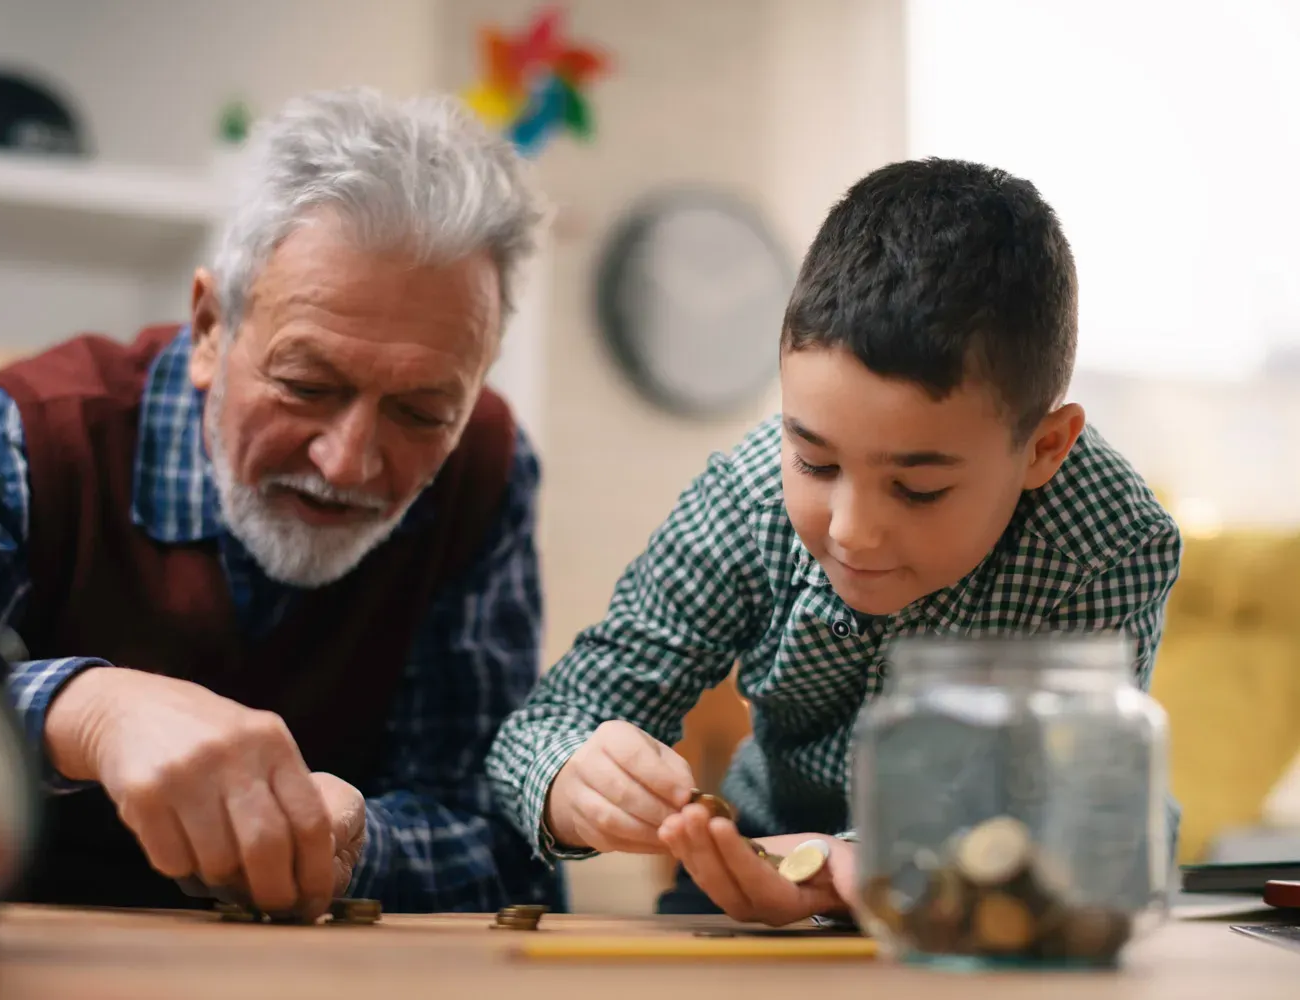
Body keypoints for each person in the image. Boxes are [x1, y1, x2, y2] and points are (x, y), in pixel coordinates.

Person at [0, 88, 560, 921]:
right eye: (308, 385)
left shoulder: (485, 468)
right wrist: (87, 710)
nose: (347, 460)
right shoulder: (29, 435)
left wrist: (351, 842)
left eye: (422, 412)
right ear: (208, 329)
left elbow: (506, 843)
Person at [485, 158, 1183, 925]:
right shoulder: (747, 497)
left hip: (993, 890)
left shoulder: (1107, 540)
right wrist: (568, 779)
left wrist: (873, 857)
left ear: (1044, 449)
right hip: (758, 856)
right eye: (814, 461)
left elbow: (1072, 802)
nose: (851, 529)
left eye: (918, 487)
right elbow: (545, 725)